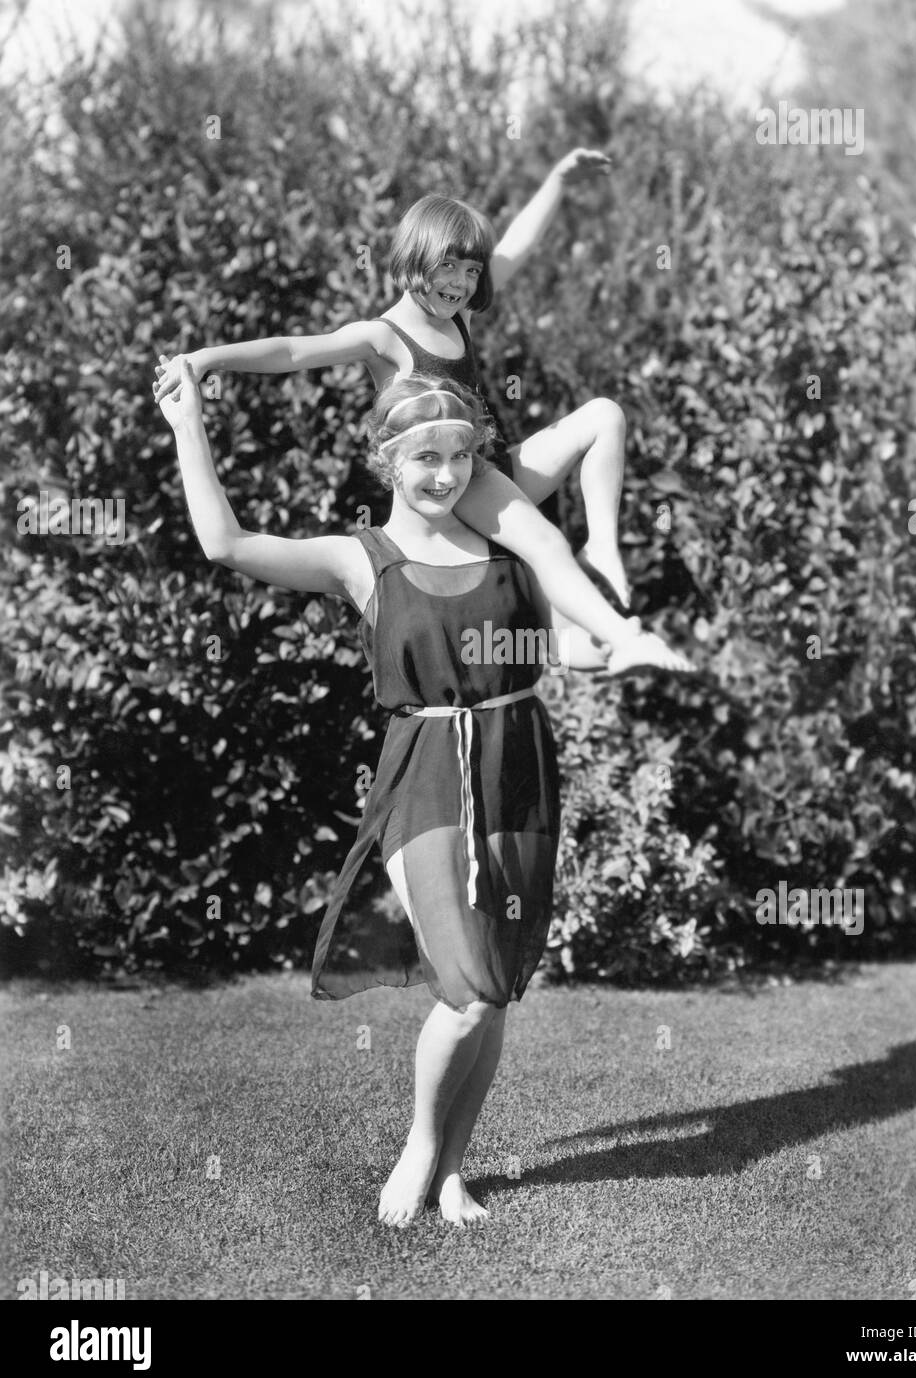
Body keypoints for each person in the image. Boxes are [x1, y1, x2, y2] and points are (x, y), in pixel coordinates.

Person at [154, 362, 689, 1229]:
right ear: (385, 460)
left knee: (497, 989)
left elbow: (565, 651)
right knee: (468, 985)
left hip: (518, 766)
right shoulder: (361, 559)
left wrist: (627, 647)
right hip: (426, 772)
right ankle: (416, 1146)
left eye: (460, 454)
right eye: (424, 456)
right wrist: (188, 423)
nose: (443, 473)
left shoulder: (510, 555)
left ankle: (452, 1171)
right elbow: (227, 543)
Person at [153, 148, 631, 607]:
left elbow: (518, 245)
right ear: (414, 258)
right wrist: (206, 357)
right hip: (462, 480)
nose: (459, 282)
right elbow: (294, 350)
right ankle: (586, 621)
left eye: (470, 270)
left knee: (605, 416)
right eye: (446, 266)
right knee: (545, 543)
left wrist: (559, 181)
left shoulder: (460, 316)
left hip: (495, 465)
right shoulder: (384, 337)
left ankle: (602, 548)